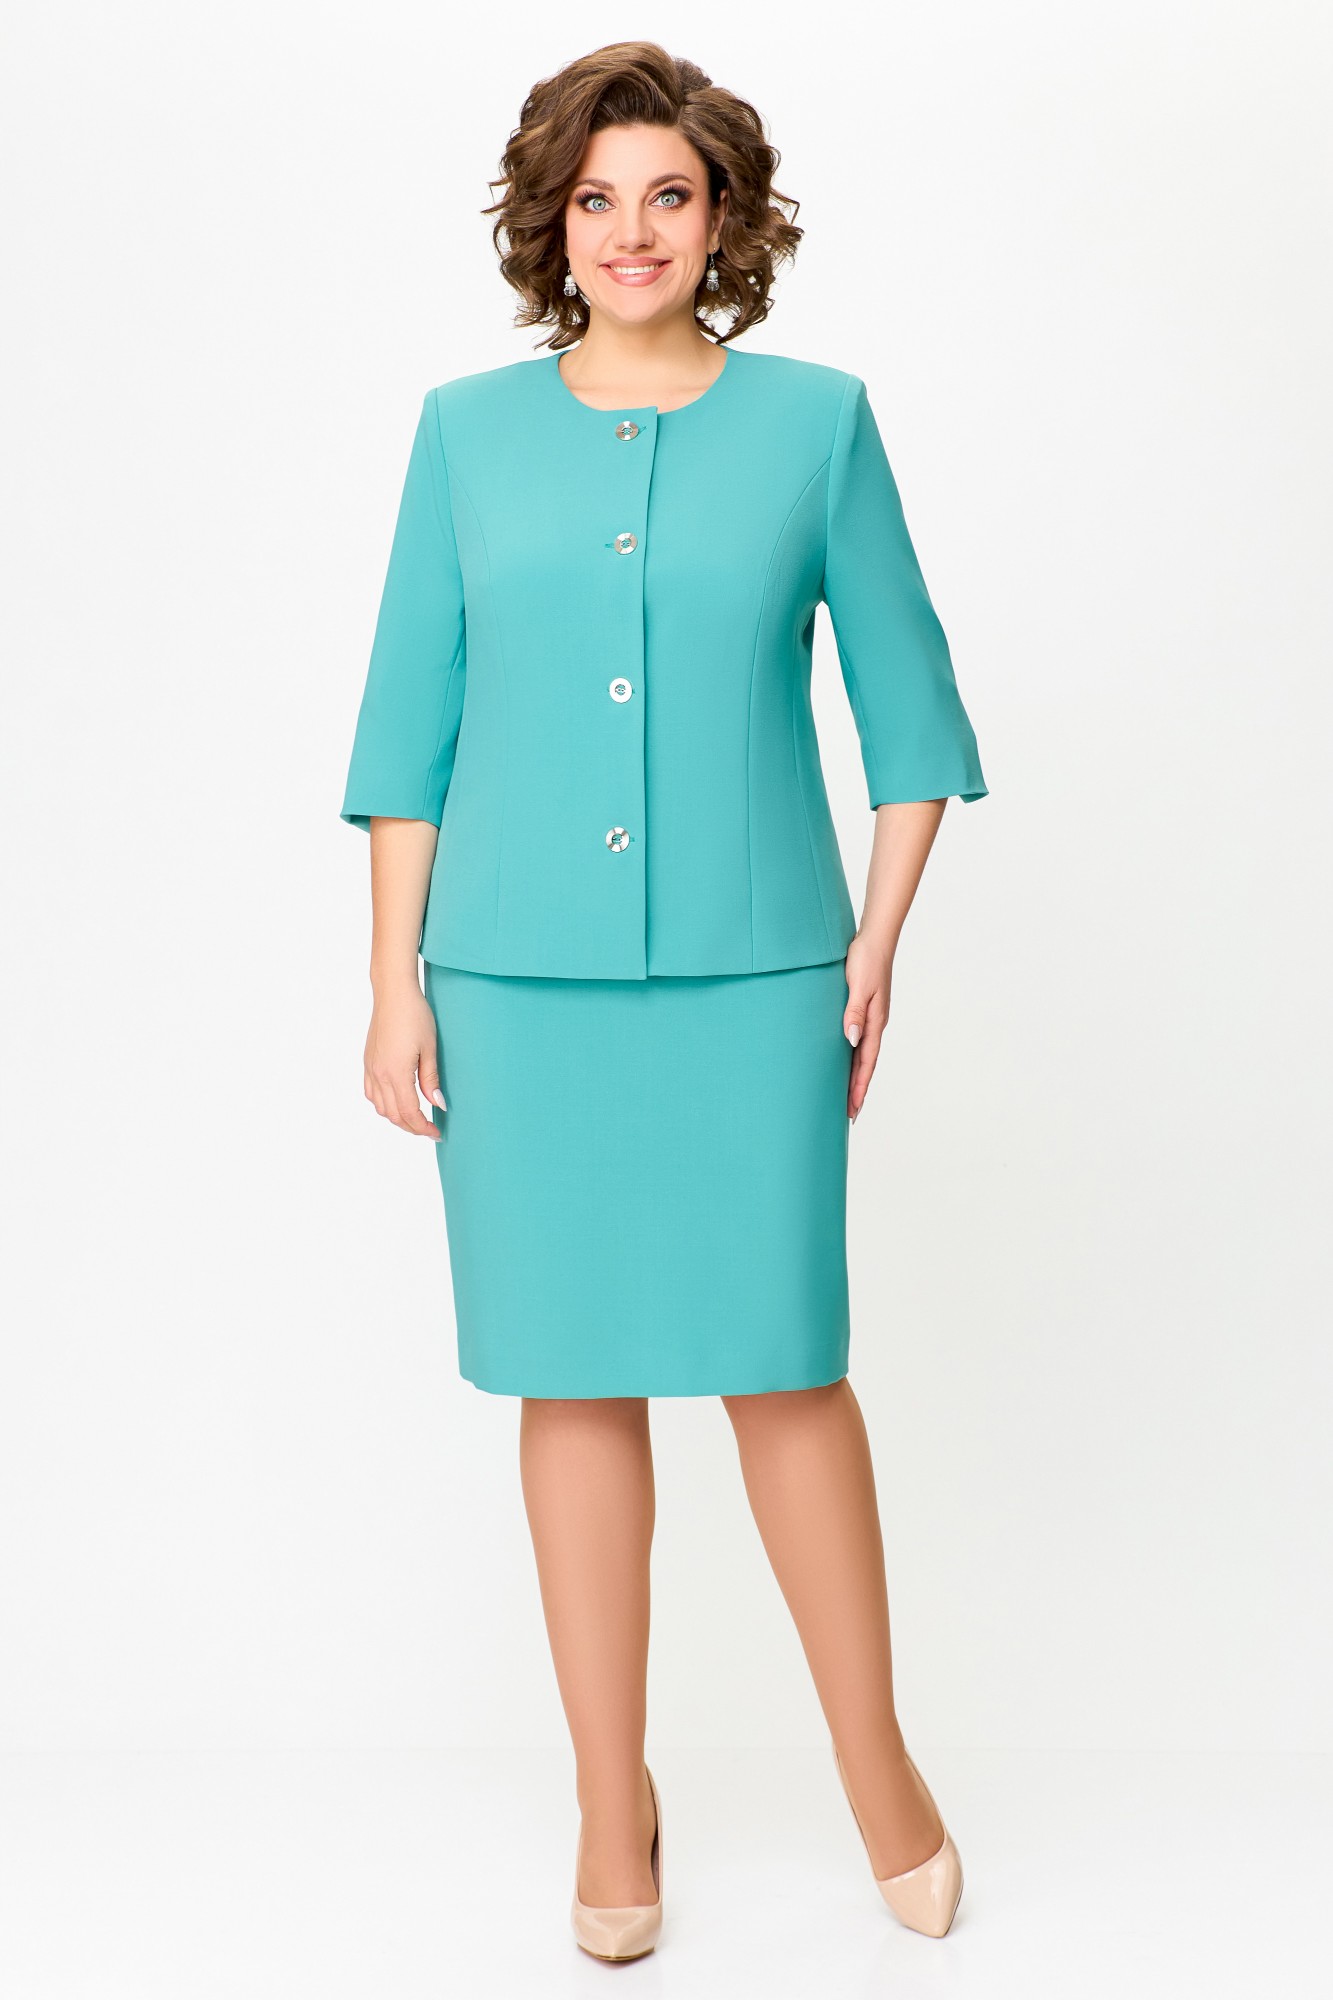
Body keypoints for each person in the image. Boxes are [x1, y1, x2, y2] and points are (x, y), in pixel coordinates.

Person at [339, 40, 988, 1962]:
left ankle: (875, 1762)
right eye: (598, 198)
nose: (633, 231)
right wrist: (390, 982)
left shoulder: (817, 425)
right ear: (553, 223)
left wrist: (875, 942)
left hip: (758, 974)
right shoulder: (464, 434)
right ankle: (607, 1797)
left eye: (670, 195)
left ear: (724, 218)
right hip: (516, 983)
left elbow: (911, 711)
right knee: (571, 1373)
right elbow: (406, 731)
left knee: (783, 1364)